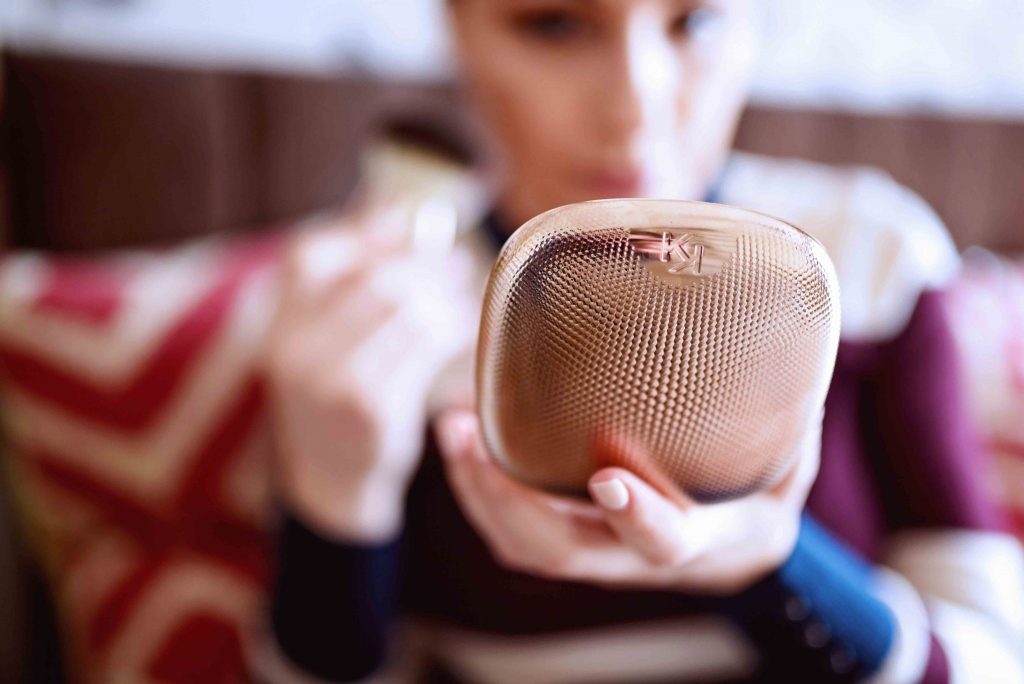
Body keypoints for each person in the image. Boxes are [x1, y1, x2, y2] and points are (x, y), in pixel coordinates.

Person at [253, 1, 1024, 682]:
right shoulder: (373, 319)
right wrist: (335, 500)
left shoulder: (864, 255)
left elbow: (996, 659)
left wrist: (768, 565)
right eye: (555, 23)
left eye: (695, 21)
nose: (634, 104)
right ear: (459, 30)